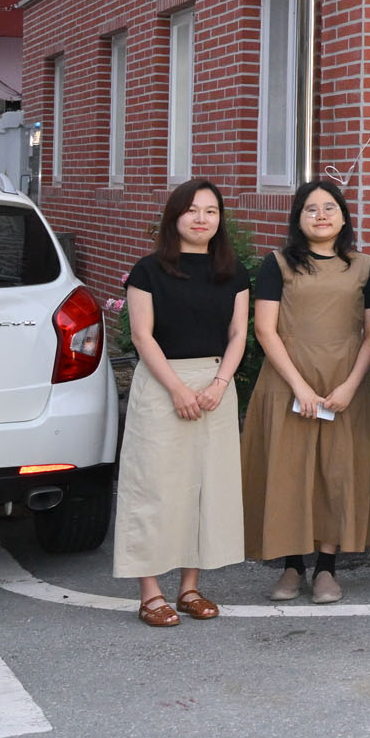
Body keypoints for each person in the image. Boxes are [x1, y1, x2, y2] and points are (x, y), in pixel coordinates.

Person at [241, 179, 370, 605]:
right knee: (290, 472)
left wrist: (350, 385)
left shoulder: (366, 267)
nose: (321, 215)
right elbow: (265, 330)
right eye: (311, 209)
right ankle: (292, 565)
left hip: (345, 383)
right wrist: (300, 387)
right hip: (288, 381)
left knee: (337, 474)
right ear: (298, 218)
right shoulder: (277, 264)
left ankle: (326, 567)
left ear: (343, 217)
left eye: (329, 208)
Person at [117, 180, 250, 627]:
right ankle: (150, 593)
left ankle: (189, 588)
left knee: (205, 488)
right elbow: (142, 336)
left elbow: (238, 334)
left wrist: (220, 382)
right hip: (162, 384)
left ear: (220, 220)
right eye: (192, 210)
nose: (201, 218)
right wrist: (176, 388)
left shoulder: (233, 272)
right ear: (174, 216)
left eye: (211, 211)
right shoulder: (148, 270)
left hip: (215, 386)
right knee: (154, 487)